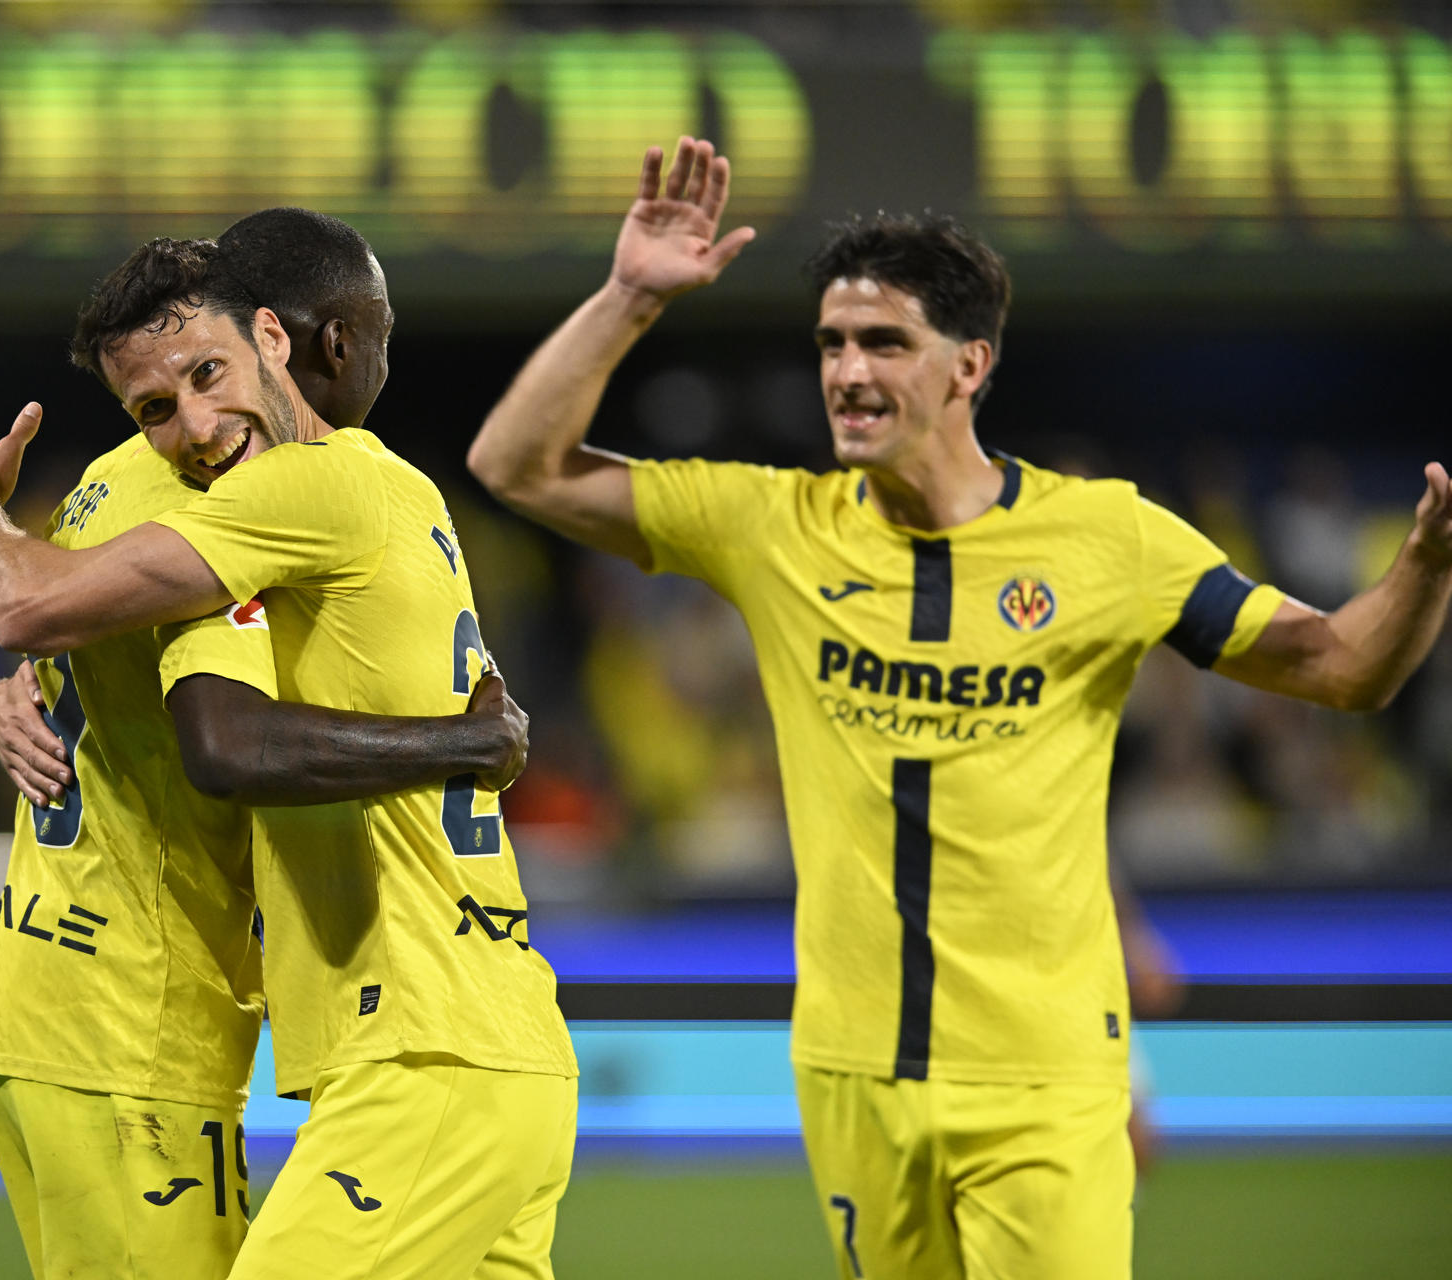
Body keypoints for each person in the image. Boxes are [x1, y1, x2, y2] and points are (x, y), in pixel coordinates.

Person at [466, 136, 1452, 1280]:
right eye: (832, 342)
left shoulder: (1108, 537)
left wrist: (1428, 565)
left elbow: (1343, 665)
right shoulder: (771, 524)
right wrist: (631, 297)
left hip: (1046, 1069)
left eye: (885, 342)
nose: (847, 371)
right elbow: (517, 464)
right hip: (853, 1067)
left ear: (969, 364)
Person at [0, 234, 578, 1280]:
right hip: (164, 1016)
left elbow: (47, 616)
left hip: (389, 1036)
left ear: (269, 336)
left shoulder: (172, 495)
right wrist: (466, 743)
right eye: (155, 406)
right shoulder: (352, 492)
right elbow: (203, 729)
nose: (194, 428)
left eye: (207, 374)